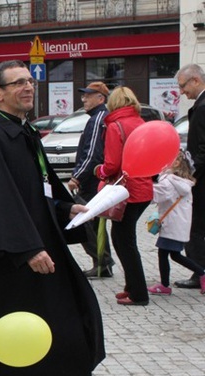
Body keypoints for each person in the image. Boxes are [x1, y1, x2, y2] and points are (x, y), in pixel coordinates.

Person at [0, 60, 109, 376]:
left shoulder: (24, 131)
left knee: (71, 318)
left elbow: (40, 189)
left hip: (42, 244)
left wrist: (67, 207)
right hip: (11, 258)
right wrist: (27, 249)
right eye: (17, 84)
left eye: (29, 81)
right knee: (12, 330)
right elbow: (1, 200)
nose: (28, 88)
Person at [95, 87, 152, 306]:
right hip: (143, 187)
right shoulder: (140, 122)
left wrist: (98, 172)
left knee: (124, 241)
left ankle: (139, 294)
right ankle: (131, 287)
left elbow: (112, 164)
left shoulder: (114, 126)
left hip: (126, 190)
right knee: (123, 238)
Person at [67, 81, 114, 279]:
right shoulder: (99, 117)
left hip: (93, 181)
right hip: (97, 179)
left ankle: (101, 262)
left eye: (88, 95)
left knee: (84, 220)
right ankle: (103, 262)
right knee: (95, 223)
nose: (83, 99)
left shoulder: (97, 119)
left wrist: (77, 177)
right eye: (83, 95)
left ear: (100, 98)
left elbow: (92, 153)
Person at [147, 151, 205, 295]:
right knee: (172, 254)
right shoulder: (183, 183)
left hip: (171, 224)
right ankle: (166, 284)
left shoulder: (170, 181)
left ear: (177, 164)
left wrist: (144, 186)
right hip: (177, 224)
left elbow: (157, 194)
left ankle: (167, 284)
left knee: (169, 254)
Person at [174, 64, 205, 289]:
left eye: (183, 86)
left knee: (194, 228)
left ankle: (199, 273)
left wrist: (191, 175)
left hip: (201, 180)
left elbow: (202, 148)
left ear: (195, 80)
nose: (182, 91)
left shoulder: (203, 107)